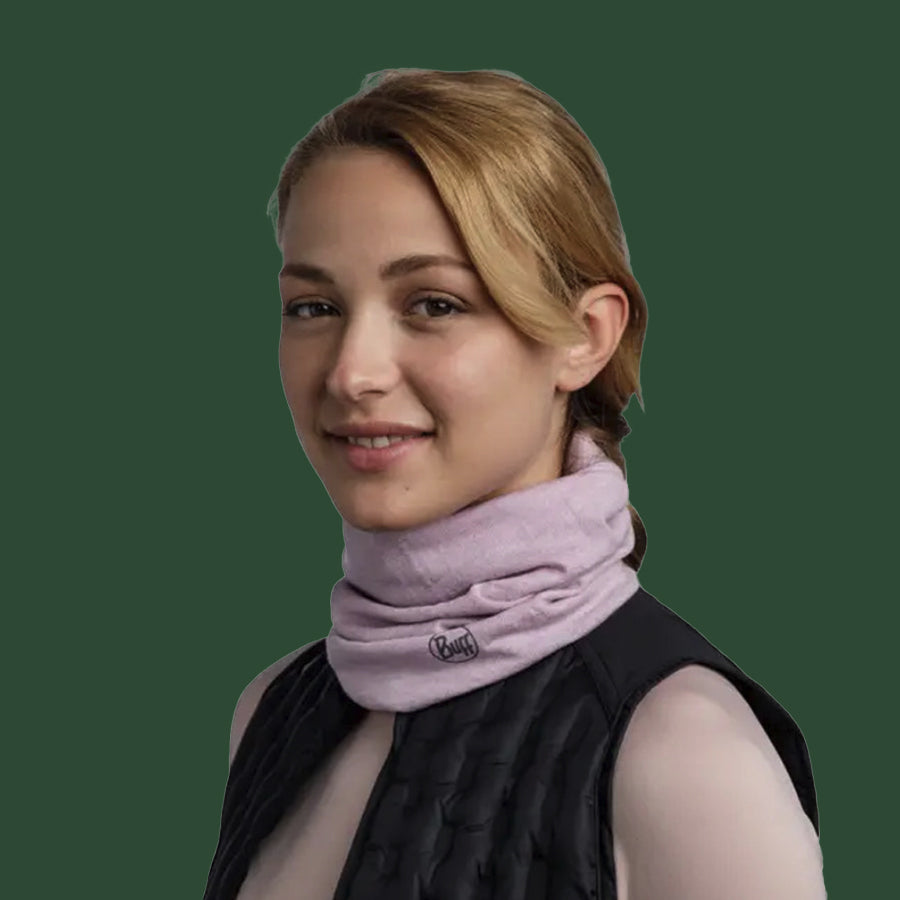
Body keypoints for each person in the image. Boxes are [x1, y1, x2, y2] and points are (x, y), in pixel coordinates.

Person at [203, 68, 827, 899]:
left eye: (433, 304)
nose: (352, 372)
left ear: (585, 336)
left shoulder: (686, 757)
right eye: (314, 307)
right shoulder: (272, 710)